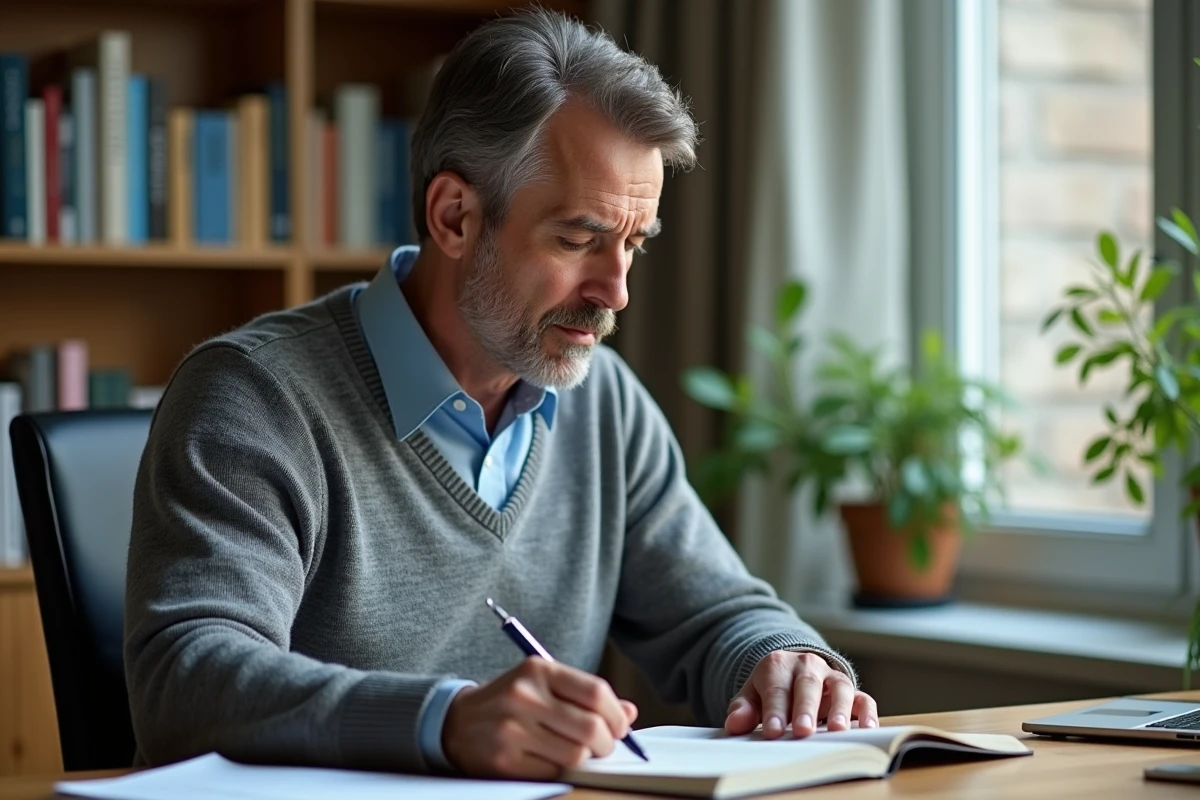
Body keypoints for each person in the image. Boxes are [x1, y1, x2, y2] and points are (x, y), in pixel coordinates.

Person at [124, 7, 878, 780]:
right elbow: (186, 677)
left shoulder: (604, 405)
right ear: (454, 215)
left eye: (633, 245)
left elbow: (715, 612)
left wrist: (783, 660)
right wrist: (443, 722)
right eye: (579, 240)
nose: (615, 293)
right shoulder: (256, 396)